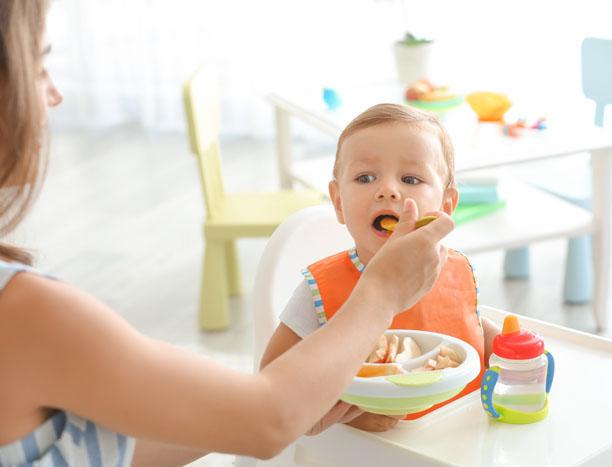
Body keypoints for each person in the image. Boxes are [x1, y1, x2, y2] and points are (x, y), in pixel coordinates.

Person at [0, 1, 456, 465]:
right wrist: (380, 290)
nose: (55, 94)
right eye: (39, 67)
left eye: (412, 179)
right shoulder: (24, 312)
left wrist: (293, 411)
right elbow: (265, 418)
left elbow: (90, 448)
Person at [261, 103, 500, 432]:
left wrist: (500, 344)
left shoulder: (457, 269)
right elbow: (270, 391)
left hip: (465, 440)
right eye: (365, 177)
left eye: (410, 178)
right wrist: (348, 417)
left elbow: (465, 327)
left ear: (446, 206)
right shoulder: (320, 290)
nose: (388, 190)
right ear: (339, 202)